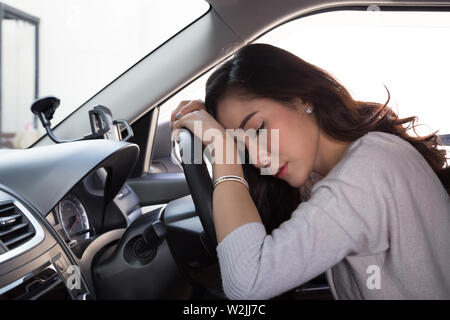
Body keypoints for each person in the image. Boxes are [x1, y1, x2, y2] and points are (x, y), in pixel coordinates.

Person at [169, 43, 450, 300]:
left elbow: (247, 283)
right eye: (241, 146)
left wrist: (223, 153)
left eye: (258, 130)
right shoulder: (325, 173)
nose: (256, 159)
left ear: (302, 99)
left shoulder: (368, 171)